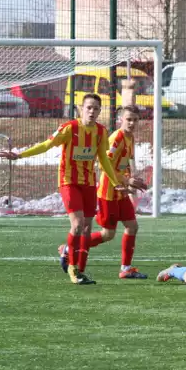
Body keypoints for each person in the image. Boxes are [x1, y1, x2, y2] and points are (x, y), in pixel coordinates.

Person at [0, 93, 125, 285]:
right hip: (69, 182)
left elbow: (104, 160)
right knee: (77, 224)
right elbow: (47, 145)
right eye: (89, 107)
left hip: (89, 183)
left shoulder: (101, 132)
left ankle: (78, 265)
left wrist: (116, 182)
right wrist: (20, 155)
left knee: (86, 227)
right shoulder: (70, 128)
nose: (92, 111)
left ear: (100, 111)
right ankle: (73, 270)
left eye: (96, 108)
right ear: (81, 109)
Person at [58, 105, 147, 279]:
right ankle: (69, 249)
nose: (132, 123)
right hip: (108, 192)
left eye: (135, 120)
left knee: (132, 226)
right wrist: (125, 180)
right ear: (120, 119)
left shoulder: (131, 138)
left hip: (121, 191)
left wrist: (130, 181)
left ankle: (125, 268)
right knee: (108, 234)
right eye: (129, 119)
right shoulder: (116, 138)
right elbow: (105, 166)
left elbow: (124, 164)